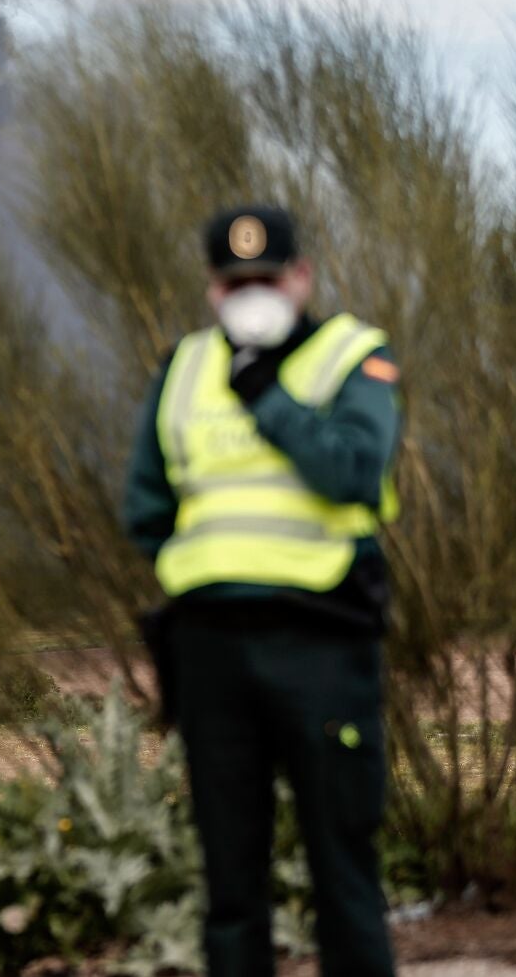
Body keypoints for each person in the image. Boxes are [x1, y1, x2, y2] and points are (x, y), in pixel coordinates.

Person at [122, 205, 402, 977]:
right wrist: (200, 568)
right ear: (212, 289)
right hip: (210, 648)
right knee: (229, 878)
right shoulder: (183, 367)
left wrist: (266, 397)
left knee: (343, 866)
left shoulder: (353, 356)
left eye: (267, 279)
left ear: (301, 277)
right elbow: (146, 505)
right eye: (234, 282)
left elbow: (353, 470)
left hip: (321, 640)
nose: (252, 295)